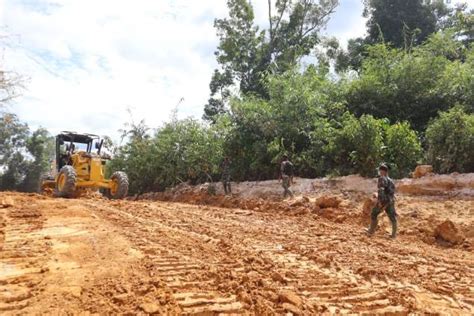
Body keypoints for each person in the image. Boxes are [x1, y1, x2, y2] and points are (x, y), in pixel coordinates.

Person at [367, 163, 397, 239]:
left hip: (384, 200)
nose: (379, 172)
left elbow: (381, 190)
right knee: (392, 217)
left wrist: (380, 202)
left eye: (380, 170)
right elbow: (392, 192)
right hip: (391, 200)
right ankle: (393, 235)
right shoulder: (391, 180)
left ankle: (371, 231)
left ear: (382, 171)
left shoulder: (382, 178)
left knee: (374, 213)